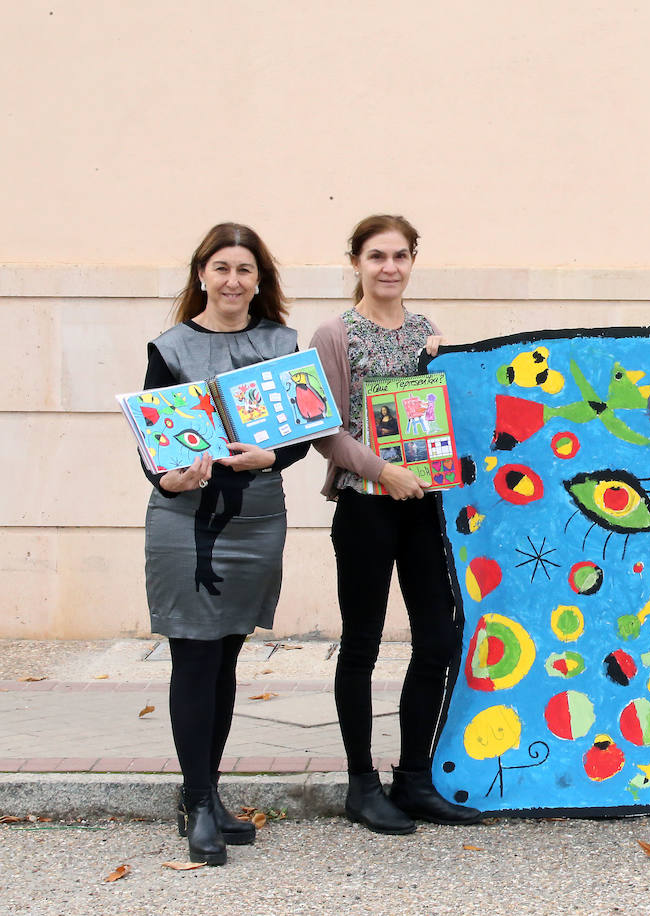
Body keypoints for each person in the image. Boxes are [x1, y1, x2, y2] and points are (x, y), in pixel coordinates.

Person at [141, 223, 308, 865]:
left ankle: (204, 796)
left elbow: (299, 431)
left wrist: (275, 455)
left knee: (229, 655)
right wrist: (169, 475)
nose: (233, 280)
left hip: (257, 518)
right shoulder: (170, 347)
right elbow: (153, 440)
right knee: (195, 657)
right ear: (201, 275)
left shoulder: (281, 344)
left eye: (245, 269)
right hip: (185, 518)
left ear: (259, 280)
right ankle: (199, 803)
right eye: (221, 268)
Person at [310, 215, 482, 835]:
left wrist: (452, 365)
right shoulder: (334, 333)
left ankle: (414, 778)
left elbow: (448, 411)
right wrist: (385, 471)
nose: (389, 267)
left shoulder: (428, 331)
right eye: (377, 256)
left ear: (413, 261)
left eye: (400, 256)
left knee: (437, 637)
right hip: (365, 503)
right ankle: (362, 783)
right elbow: (323, 430)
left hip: (423, 503)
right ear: (355, 261)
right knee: (362, 642)